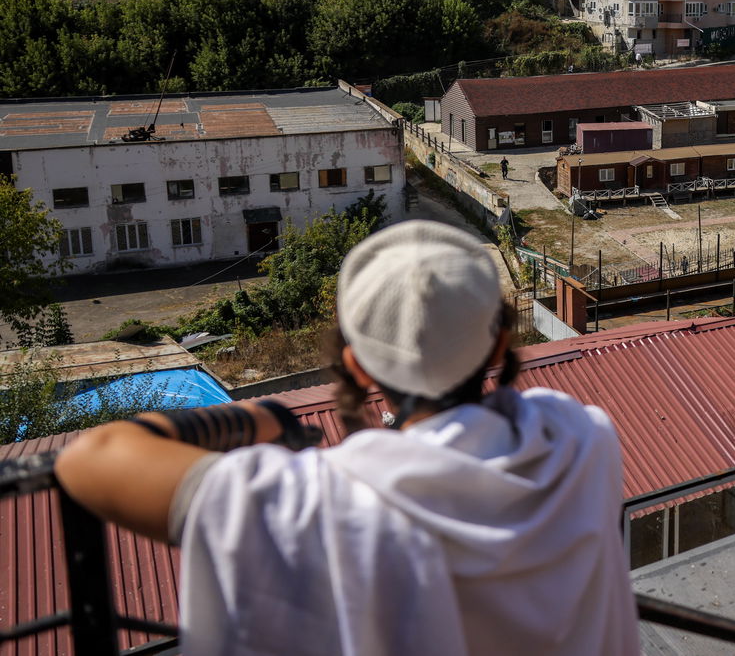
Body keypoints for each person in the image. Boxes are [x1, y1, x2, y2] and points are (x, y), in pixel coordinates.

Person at [55, 221, 640, 656]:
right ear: (496, 346)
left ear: (357, 367)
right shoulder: (580, 437)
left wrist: (260, 418)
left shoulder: (318, 506)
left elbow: (90, 458)